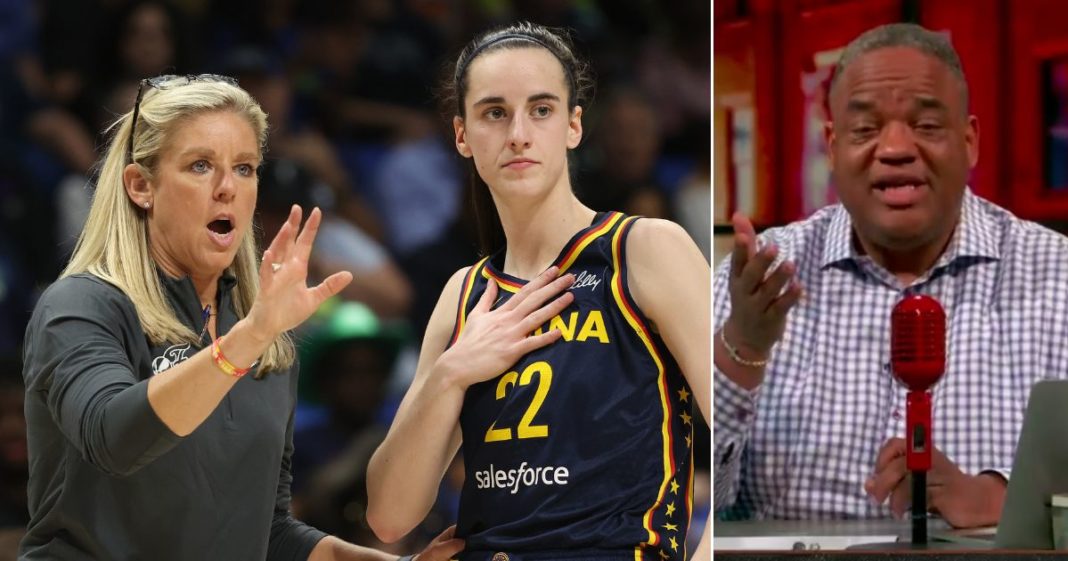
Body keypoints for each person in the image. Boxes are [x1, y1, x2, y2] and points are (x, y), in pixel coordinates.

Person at [20, 74, 464, 561]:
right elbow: (113, 438)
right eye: (200, 166)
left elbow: (265, 531)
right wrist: (248, 339)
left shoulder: (264, 338)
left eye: (245, 168)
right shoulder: (82, 305)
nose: (227, 187)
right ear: (140, 186)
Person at [365, 22, 710, 561]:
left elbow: (746, 432)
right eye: (494, 112)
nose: (518, 133)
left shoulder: (644, 248)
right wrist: (453, 372)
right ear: (462, 135)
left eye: (542, 110)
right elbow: (389, 516)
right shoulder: (464, 293)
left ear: (574, 126)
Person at [713, 22, 1068, 528]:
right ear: (833, 146)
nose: (896, 148)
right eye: (865, 129)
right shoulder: (761, 277)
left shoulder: (1057, 276)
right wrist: (741, 350)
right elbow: (687, 490)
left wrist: (1010, 502)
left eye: (926, 126)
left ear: (969, 142)